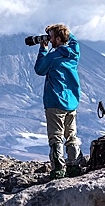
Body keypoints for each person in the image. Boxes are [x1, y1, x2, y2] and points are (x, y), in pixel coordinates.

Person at [34, 24, 82, 179]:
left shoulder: (54, 56)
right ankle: (74, 166)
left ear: (59, 39)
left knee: (56, 137)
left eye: (52, 37)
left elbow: (40, 69)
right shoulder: (74, 53)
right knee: (71, 135)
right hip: (72, 102)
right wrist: (59, 29)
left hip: (55, 101)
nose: (49, 39)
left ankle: (59, 170)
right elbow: (73, 40)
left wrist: (43, 48)